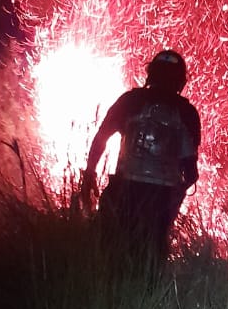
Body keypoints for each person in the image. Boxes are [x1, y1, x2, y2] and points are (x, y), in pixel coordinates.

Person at [81, 49, 201, 261]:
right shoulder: (187, 113)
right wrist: (176, 195)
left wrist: (89, 173)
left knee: (106, 251)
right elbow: (190, 171)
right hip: (161, 199)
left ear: (150, 74)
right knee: (150, 258)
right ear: (181, 81)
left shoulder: (130, 101)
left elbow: (101, 138)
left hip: (123, 191)